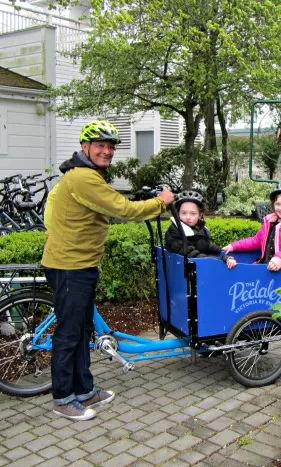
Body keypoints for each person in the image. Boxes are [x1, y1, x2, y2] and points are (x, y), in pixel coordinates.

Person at [41, 119, 174, 421]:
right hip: (70, 266)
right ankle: (63, 398)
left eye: (111, 147)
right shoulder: (83, 178)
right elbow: (123, 210)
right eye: (100, 145)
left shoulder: (90, 176)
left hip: (82, 264)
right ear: (85, 147)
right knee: (69, 333)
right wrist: (160, 202)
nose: (107, 151)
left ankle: (85, 389)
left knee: (83, 329)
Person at [222, 182, 281, 271]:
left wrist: (280, 258)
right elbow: (256, 241)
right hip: (266, 265)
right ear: (273, 204)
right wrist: (233, 246)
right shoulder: (270, 221)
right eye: (278, 204)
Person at [165, 190, 236, 269]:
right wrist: (221, 259)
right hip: (184, 270)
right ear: (178, 214)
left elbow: (205, 246)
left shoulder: (198, 229)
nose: (188, 217)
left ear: (200, 215)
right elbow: (192, 254)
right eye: (184, 213)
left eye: (193, 213)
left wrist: (221, 251)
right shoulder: (175, 232)